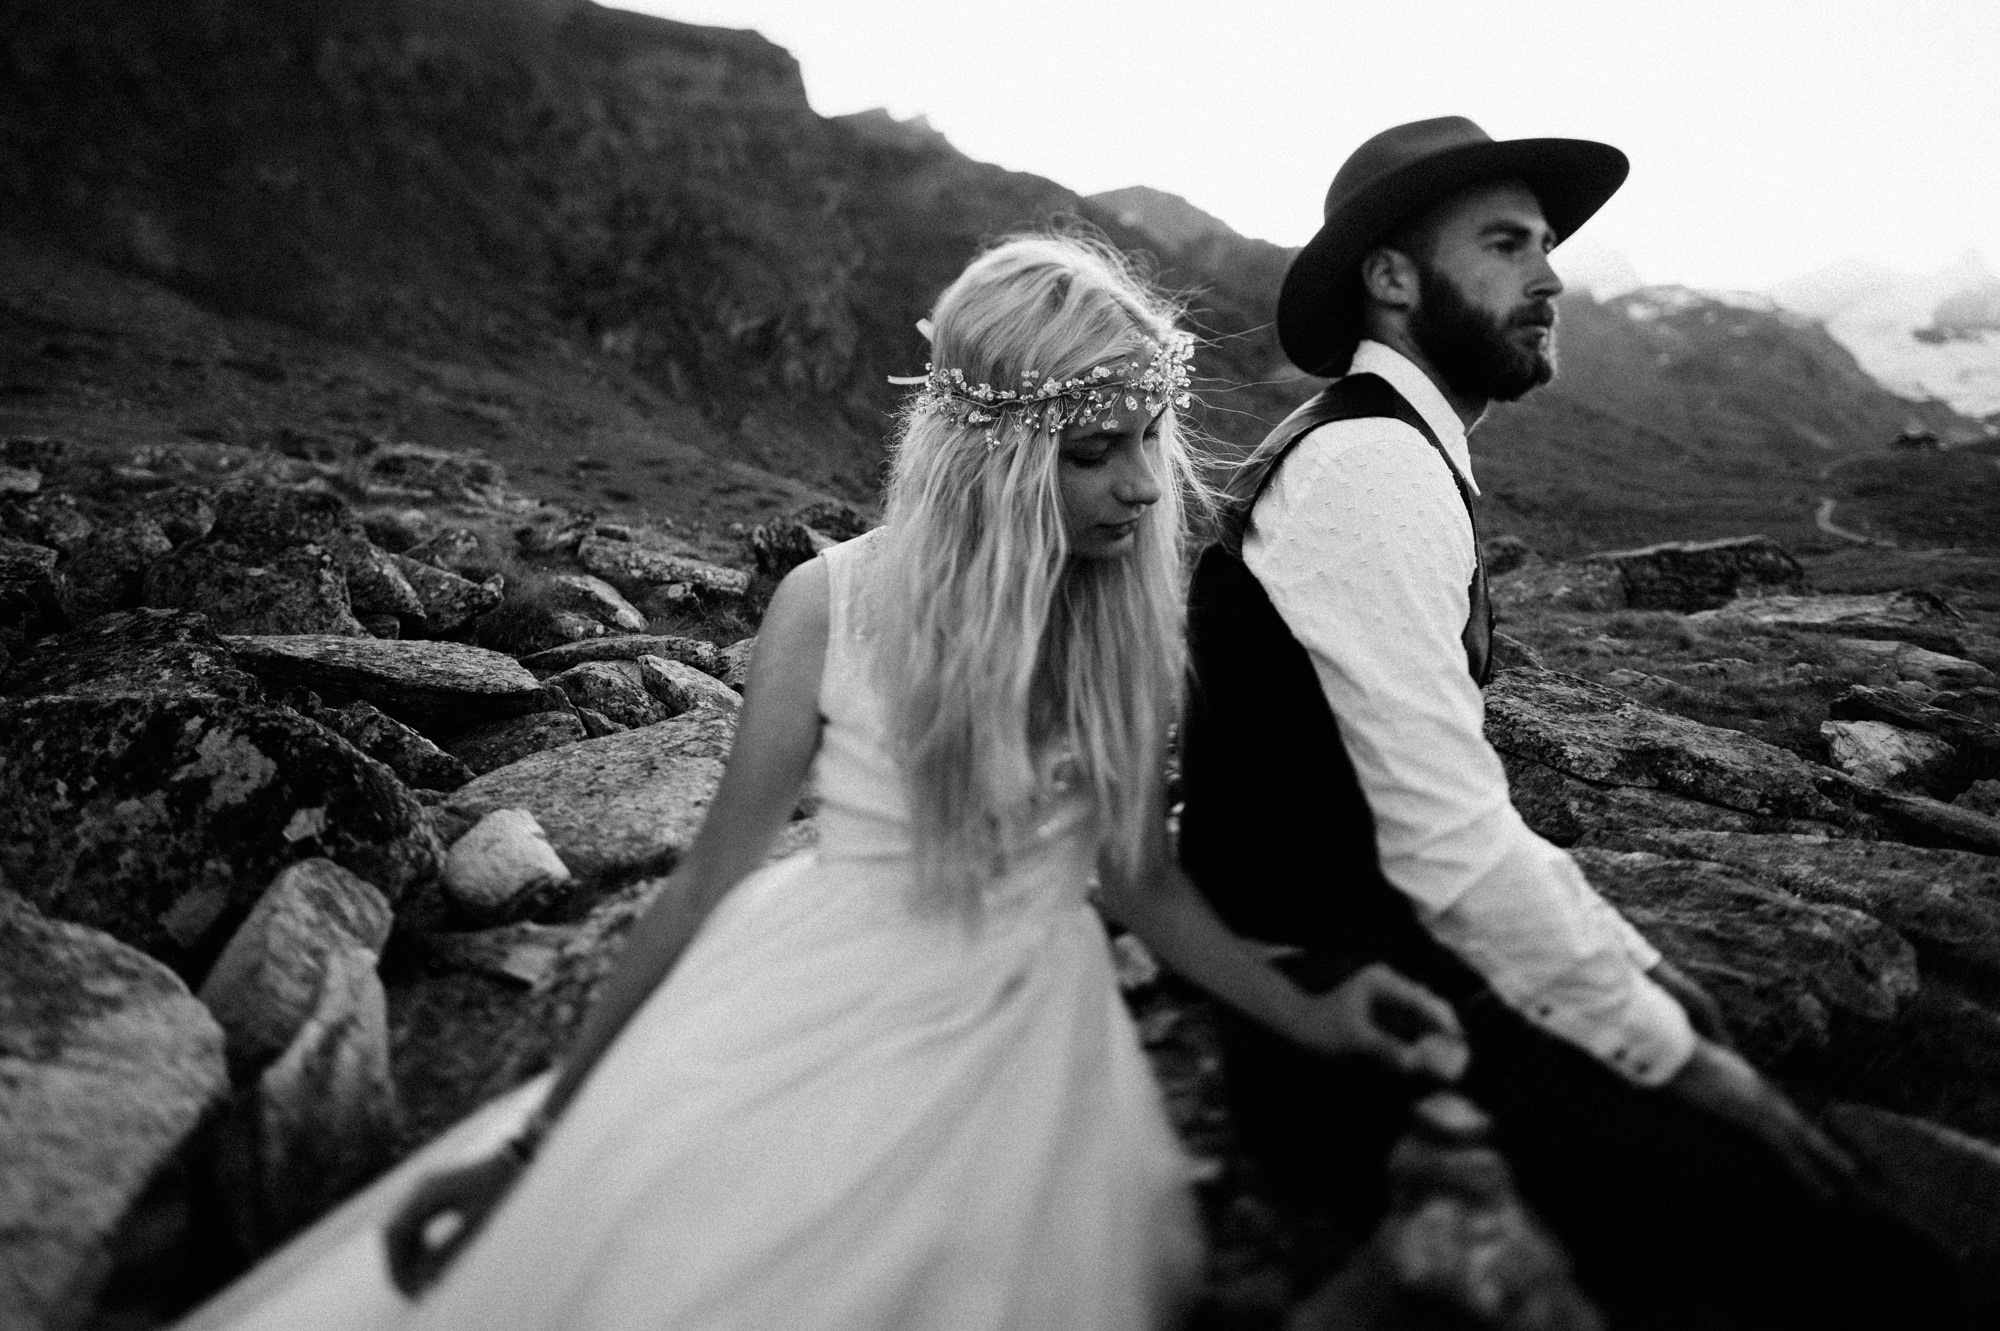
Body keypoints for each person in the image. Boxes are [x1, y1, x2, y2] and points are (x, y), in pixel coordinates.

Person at [179, 233, 1467, 1331]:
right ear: (996, 460)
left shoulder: (1125, 618)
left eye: (1150, 437)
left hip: (1030, 1058)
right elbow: (700, 886)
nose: (1143, 484)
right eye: (1093, 450)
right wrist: (530, 1148)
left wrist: (1310, 1015)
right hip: (810, 1011)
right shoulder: (831, 604)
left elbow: (1134, 879)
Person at [1177, 116, 1968, 1327]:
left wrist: (1643, 975)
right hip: (1365, 1038)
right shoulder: (1368, 471)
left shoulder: (1375, 450)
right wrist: (1671, 1047)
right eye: (1504, 244)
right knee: (1860, 1264)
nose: (1548, 275)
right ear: (1390, 279)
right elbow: (1442, 838)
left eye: (1545, 243)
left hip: (1395, 991)